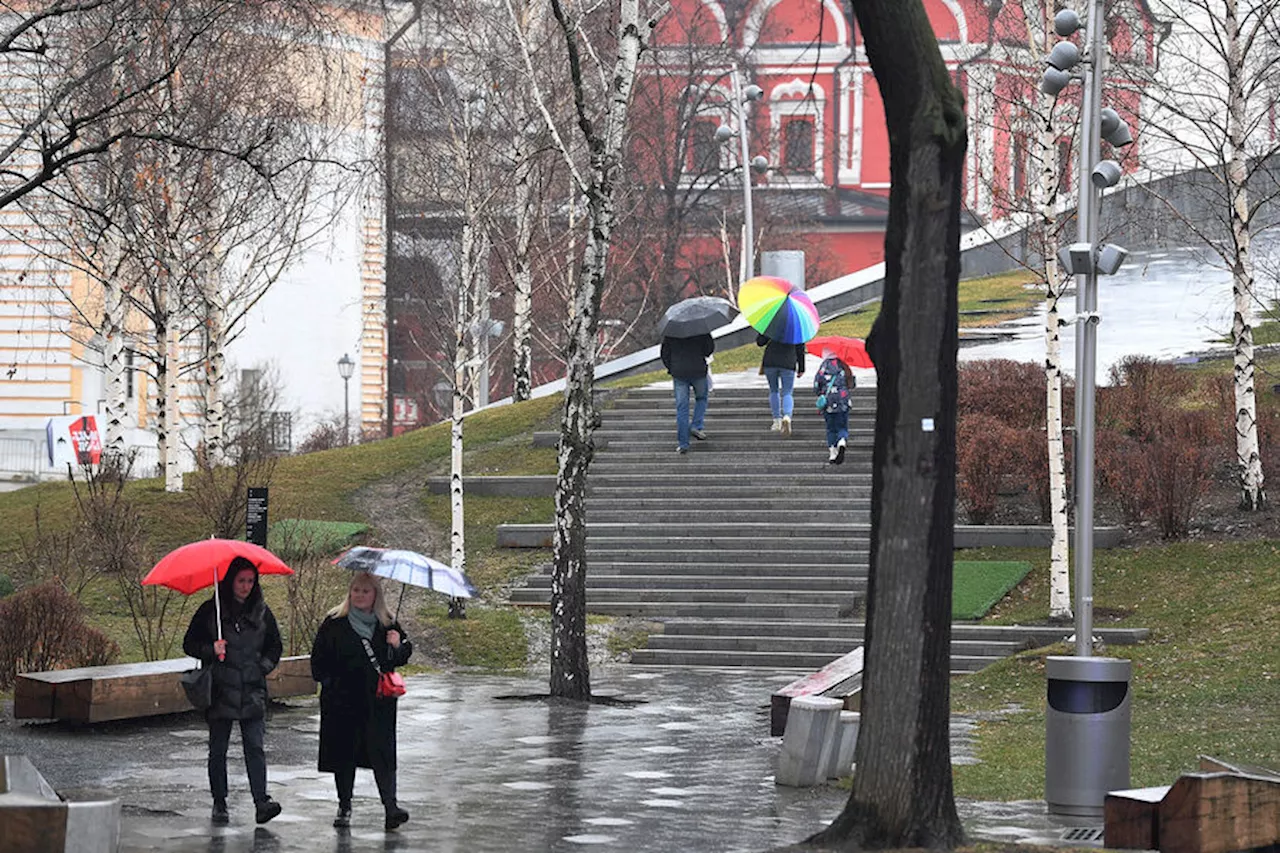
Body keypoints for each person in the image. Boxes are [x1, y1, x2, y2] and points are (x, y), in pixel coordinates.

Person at [182, 556, 284, 826]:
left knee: (255, 747)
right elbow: (189, 643)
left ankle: (261, 801)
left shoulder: (262, 612)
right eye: (241, 581)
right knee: (218, 749)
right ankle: (220, 802)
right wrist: (210, 649)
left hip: (252, 689)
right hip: (219, 689)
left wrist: (262, 667)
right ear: (230, 581)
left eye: (251, 581)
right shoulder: (210, 611)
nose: (246, 586)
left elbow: (275, 646)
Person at [310, 571, 414, 831]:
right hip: (342, 702)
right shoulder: (335, 622)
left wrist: (397, 645)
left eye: (365, 591)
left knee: (383, 753)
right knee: (344, 754)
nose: (359, 595)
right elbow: (318, 661)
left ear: (375, 595)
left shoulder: (387, 622)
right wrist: (331, 683)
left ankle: (391, 806)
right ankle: (344, 806)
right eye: (355, 590)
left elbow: (401, 656)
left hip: (378, 701)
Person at [660, 331, 714, 454]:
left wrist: (672, 367)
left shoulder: (672, 331)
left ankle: (683, 443)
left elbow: (665, 353)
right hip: (698, 370)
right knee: (701, 398)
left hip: (679, 372)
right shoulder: (701, 329)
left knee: (682, 408)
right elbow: (709, 349)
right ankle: (696, 425)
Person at [757, 333, 806, 434]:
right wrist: (801, 367)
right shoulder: (795, 327)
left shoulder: (771, 323)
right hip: (788, 362)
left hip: (770, 362)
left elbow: (760, 342)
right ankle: (787, 416)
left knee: (774, 391)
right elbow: (800, 348)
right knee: (787, 392)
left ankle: (776, 420)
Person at [813, 349, 854, 464]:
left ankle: (832, 452)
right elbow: (852, 384)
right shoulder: (844, 366)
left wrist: (819, 392)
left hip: (828, 402)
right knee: (842, 426)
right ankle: (841, 441)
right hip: (843, 401)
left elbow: (816, 385)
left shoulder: (823, 367)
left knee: (831, 428)